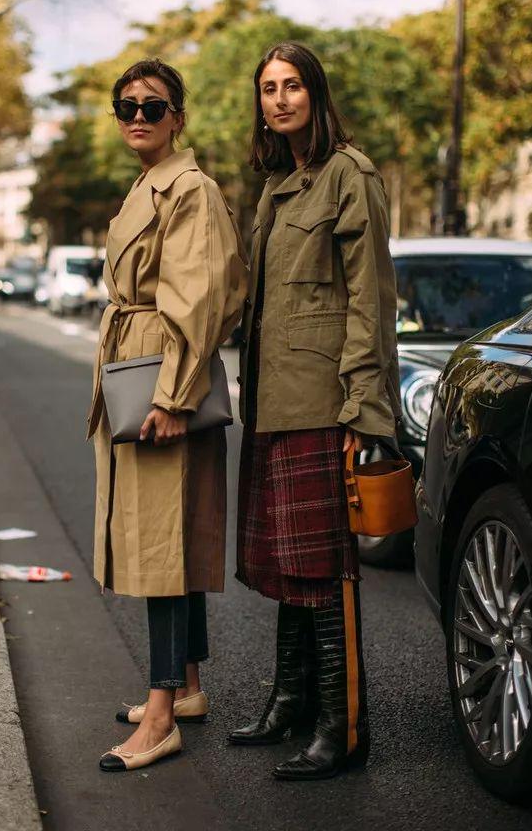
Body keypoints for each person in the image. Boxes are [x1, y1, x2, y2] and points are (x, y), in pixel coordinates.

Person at [230, 42, 401, 781]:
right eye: (268, 88)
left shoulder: (348, 174)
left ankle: (342, 727)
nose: (280, 99)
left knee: (325, 568)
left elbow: (372, 298)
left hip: (325, 399)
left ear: (316, 94)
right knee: (287, 561)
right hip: (273, 399)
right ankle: (290, 701)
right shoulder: (277, 184)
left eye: (293, 85)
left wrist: (363, 409)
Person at [87, 58, 248, 773]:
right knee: (166, 533)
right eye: (127, 106)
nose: (138, 117)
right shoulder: (148, 185)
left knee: (160, 544)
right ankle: (184, 688)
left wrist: (173, 397)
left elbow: (203, 298)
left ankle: (160, 719)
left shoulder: (190, 189)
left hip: (162, 376)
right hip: (142, 362)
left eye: (153, 106)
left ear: (178, 117)